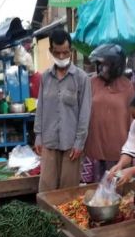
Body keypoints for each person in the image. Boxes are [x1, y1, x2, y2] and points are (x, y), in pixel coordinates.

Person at [33, 29, 92, 192]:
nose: (61, 57)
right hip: (49, 142)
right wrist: (38, 136)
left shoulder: (81, 78)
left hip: (71, 145)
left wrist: (79, 142)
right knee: (46, 188)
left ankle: (64, 219)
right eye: (57, 53)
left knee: (68, 192)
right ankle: (47, 218)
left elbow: (85, 113)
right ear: (51, 51)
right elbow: (41, 108)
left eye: (65, 53)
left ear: (71, 51)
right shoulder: (45, 78)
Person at [84, 44, 134, 182]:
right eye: (99, 64)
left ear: (115, 66)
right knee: (93, 192)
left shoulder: (127, 86)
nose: (100, 68)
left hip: (118, 149)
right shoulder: (91, 83)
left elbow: (133, 120)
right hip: (94, 147)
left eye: (104, 65)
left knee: (117, 191)